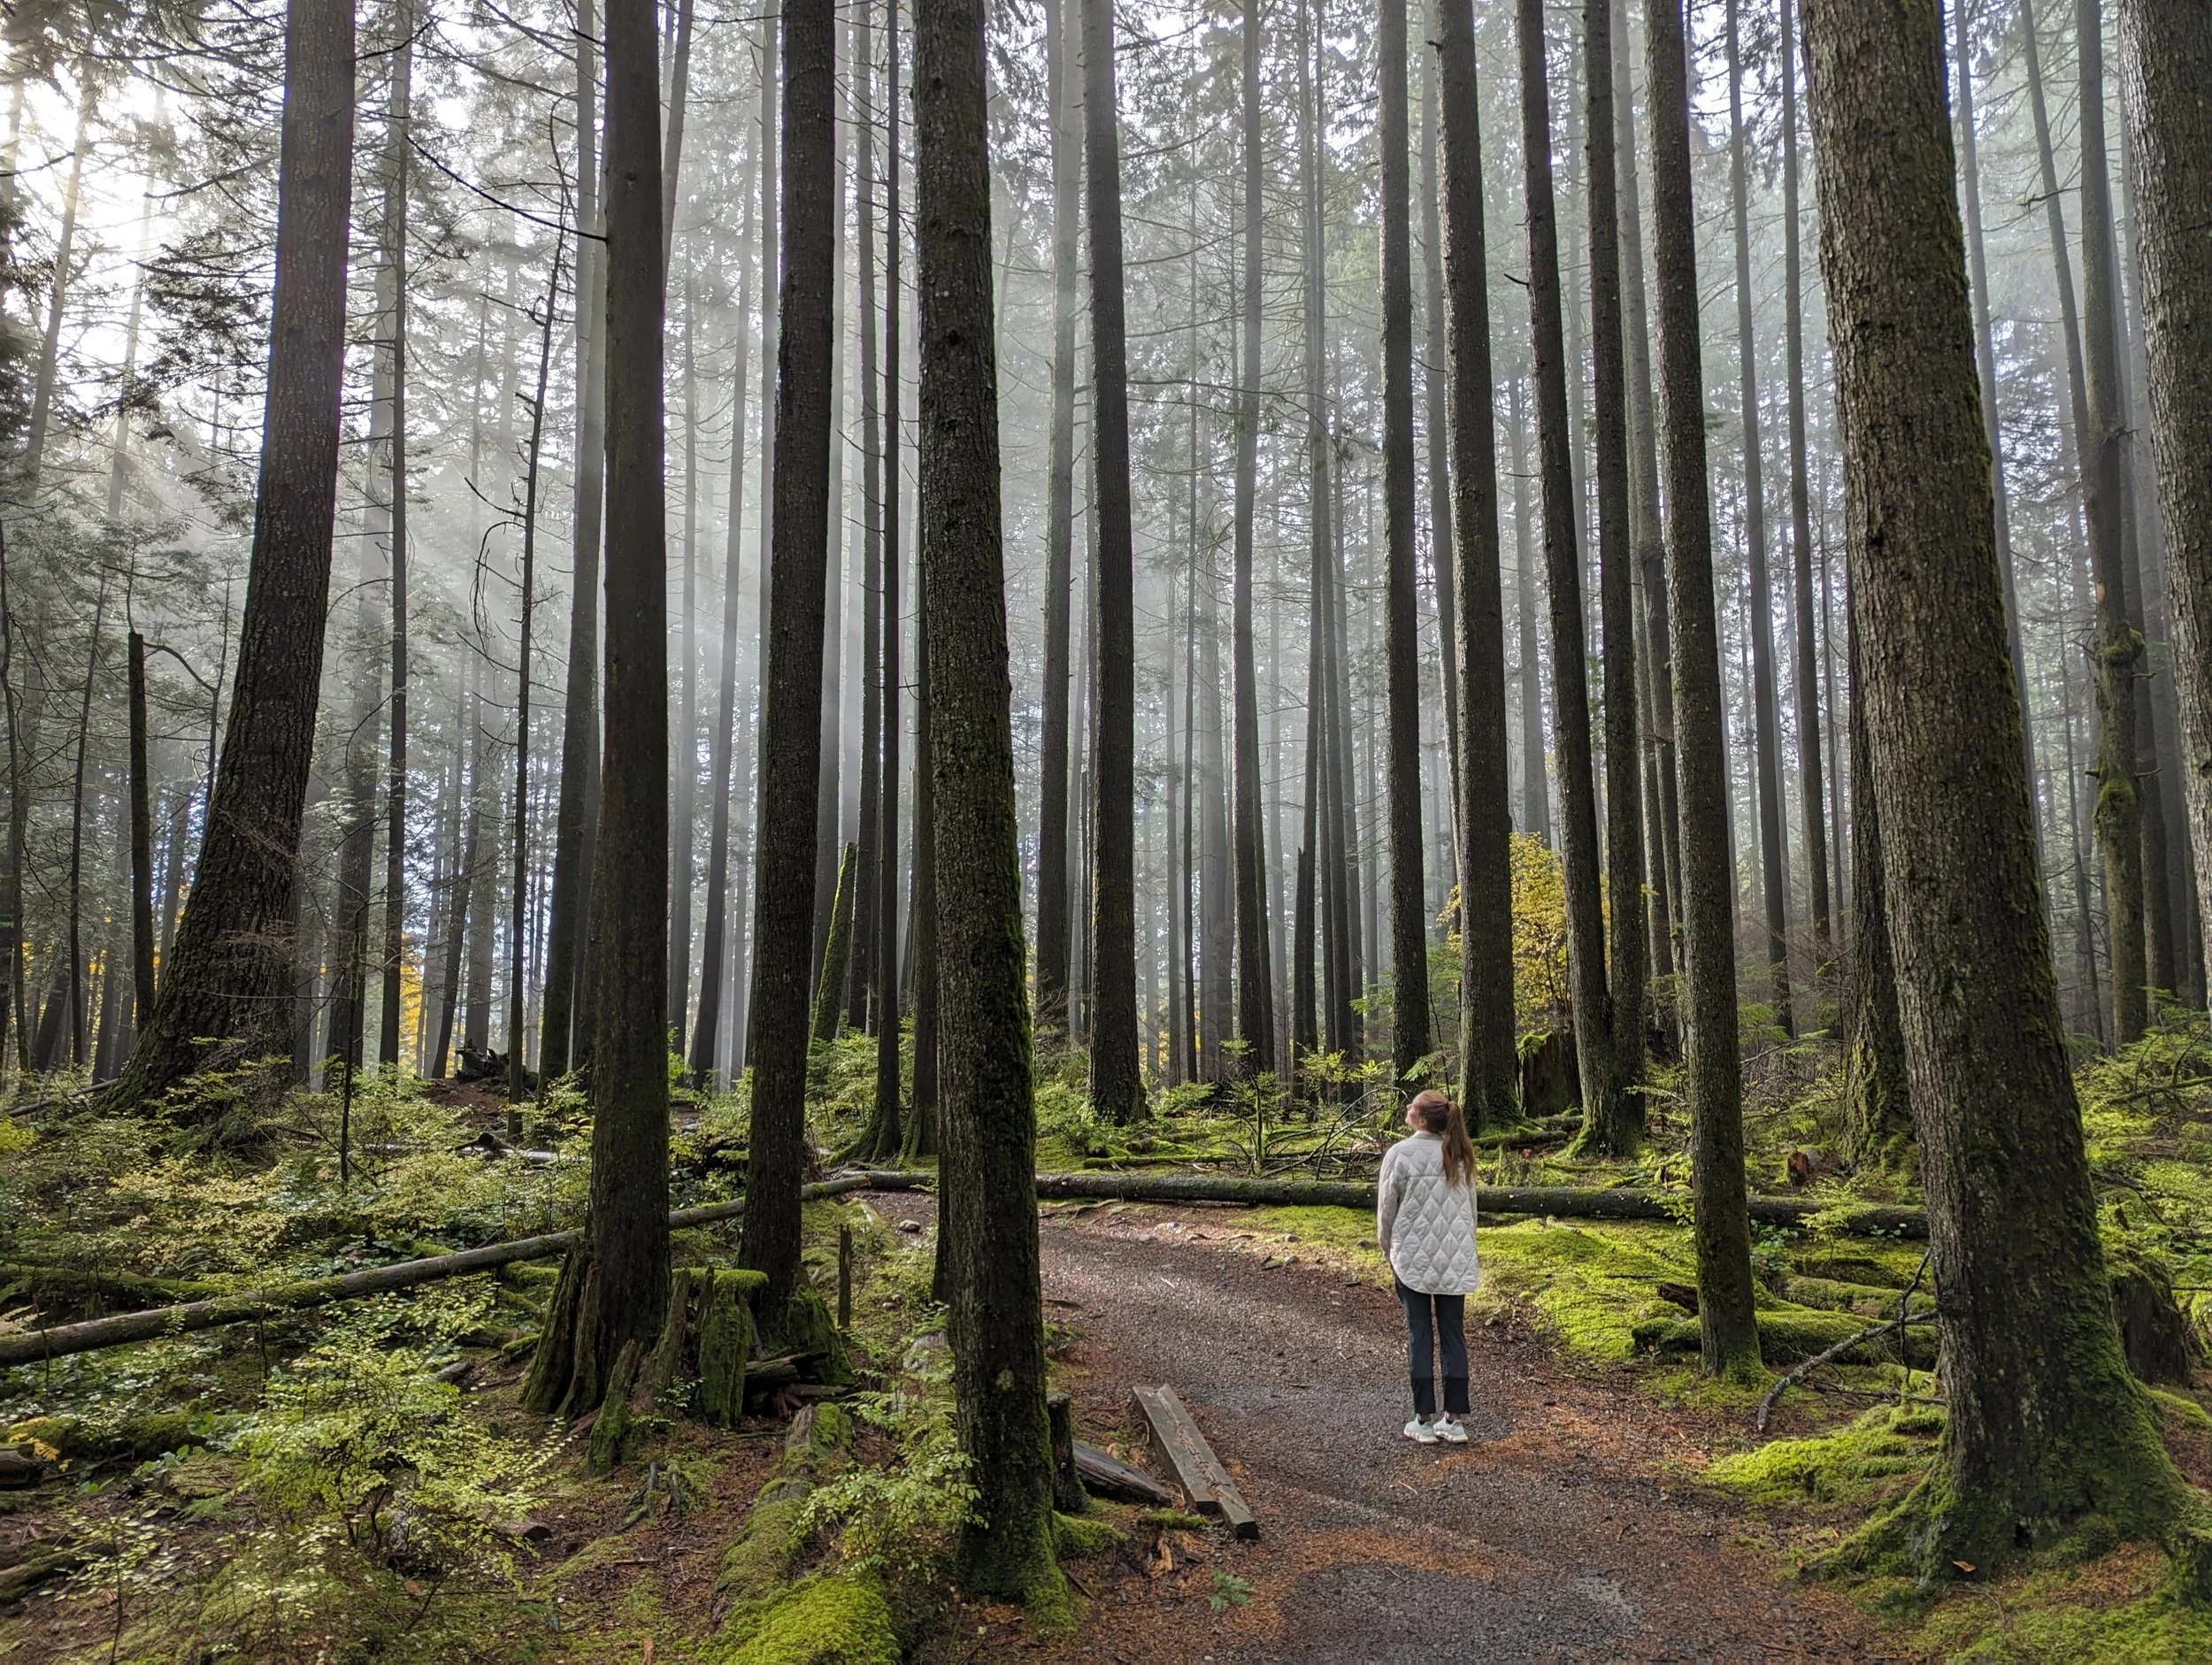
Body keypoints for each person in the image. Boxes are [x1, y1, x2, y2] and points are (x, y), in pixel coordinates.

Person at [1376, 1087, 1480, 1444]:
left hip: (1412, 1261)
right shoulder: (1460, 1153)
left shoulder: (1399, 1154)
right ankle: (1454, 1420)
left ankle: (1422, 1419)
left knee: (1419, 1334)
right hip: (1454, 1258)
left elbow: (1386, 1212)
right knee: (1453, 1334)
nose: (1407, 1107)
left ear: (1421, 1118)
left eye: (1413, 1106)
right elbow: (1471, 1212)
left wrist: (1387, 1249)